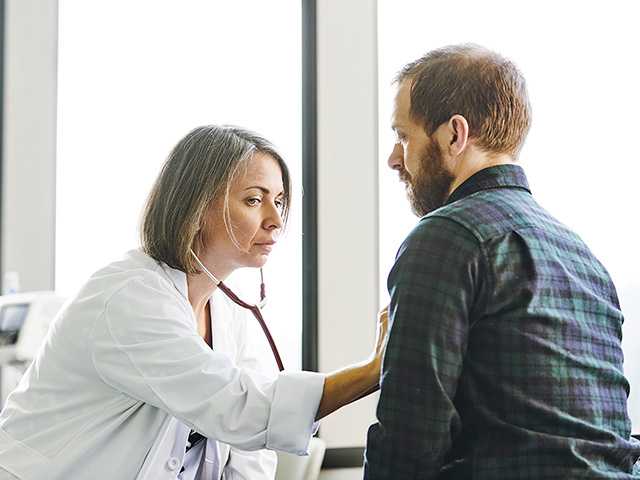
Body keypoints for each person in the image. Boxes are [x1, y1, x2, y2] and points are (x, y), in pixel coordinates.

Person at [0, 125, 388, 480]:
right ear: (196, 207)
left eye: (280, 202)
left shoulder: (228, 312)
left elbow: (250, 450)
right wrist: (372, 371)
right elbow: (242, 409)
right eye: (254, 200)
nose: (275, 220)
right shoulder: (129, 297)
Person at [364, 44, 640, 479]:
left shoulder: (446, 237)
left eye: (403, 135)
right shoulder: (582, 255)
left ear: (454, 134)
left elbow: (408, 441)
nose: (394, 158)